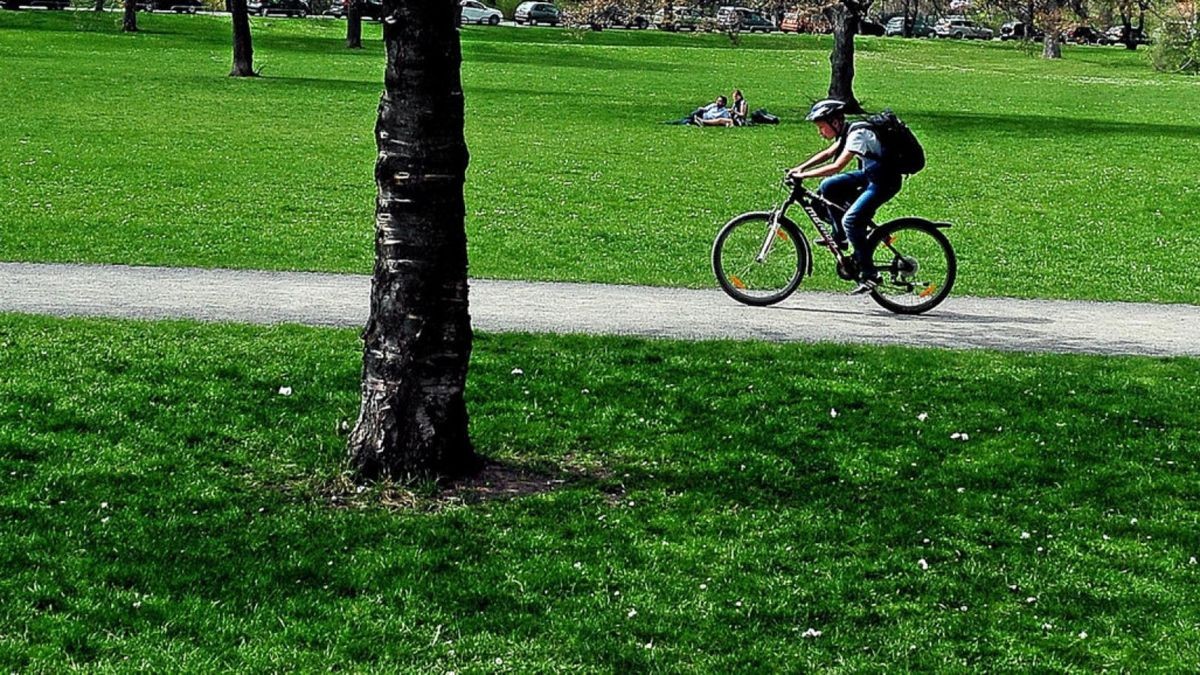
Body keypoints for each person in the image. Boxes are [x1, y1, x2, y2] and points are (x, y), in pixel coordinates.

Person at [787, 98, 902, 294]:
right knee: (828, 187)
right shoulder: (847, 132)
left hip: (884, 182)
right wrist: (800, 167)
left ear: (835, 122)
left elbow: (836, 166)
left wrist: (803, 175)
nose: (820, 132)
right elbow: (827, 153)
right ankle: (839, 237)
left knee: (851, 221)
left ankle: (870, 275)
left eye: (822, 127)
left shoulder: (858, 134)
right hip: (871, 175)